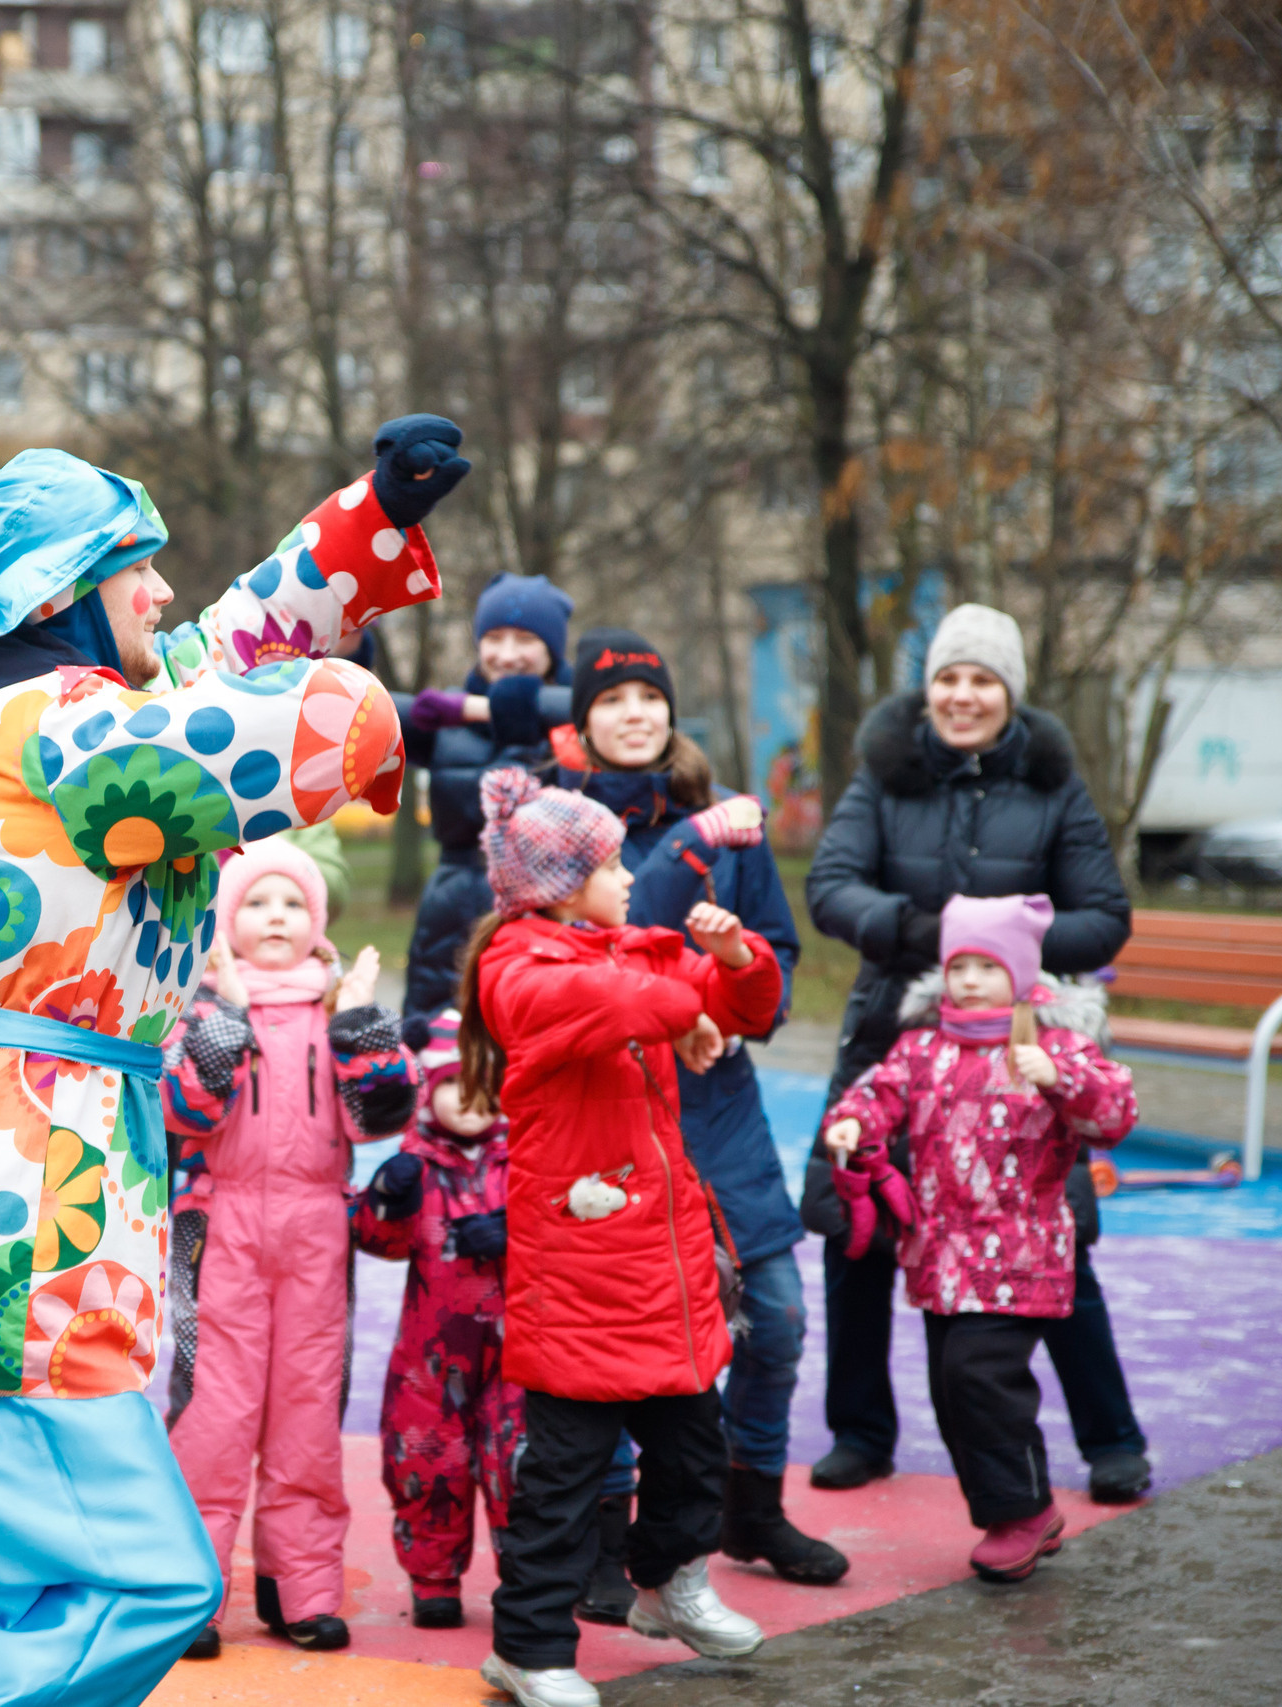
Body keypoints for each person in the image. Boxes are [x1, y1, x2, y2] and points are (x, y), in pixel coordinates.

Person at [0, 419, 468, 1707]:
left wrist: (371, 518)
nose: (169, 589)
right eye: (140, 565)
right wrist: (376, 709)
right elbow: (294, 729)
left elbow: (221, 644)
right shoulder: (66, 732)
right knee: (151, 1585)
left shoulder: (41, 717)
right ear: (62, 592)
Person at [803, 603, 1149, 1503]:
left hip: (1022, 1041)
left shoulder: (1053, 784)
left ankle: (1111, 1435)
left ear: (1009, 692)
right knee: (859, 1227)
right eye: (948, 678)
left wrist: (1008, 943)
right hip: (897, 1026)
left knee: (1054, 1236)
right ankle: (860, 1429)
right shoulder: (884, 775)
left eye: (982, 680)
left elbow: (1105, 915)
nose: (963, 696)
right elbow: (832, 886)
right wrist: (927, 930)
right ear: (929, 691)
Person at [461, 768, 781, 1707]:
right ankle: (528, 1647)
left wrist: (733, 956)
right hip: (580, 1278)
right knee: (563, 1480)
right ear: (563, 884)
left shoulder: (630, 950)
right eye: (613, 862)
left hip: (663, 1272)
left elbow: (747, 1008)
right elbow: (616, 1005)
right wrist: (687, 997)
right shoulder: (517, 967)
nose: (632, 875)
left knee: (691, 1453)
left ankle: (666, 1579)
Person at [547, 629, 846, 1587]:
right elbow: (551, 961)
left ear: (672, 712)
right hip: (612, 1116)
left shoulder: (733, 827)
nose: (636, 714)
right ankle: (607, 1533)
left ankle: (747, 1506)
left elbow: (777, 966)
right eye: (613, 700)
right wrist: (660, 1016)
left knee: (779, 1315)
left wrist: (729, 978)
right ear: (583, 721)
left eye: (650, 697)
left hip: (721, 1114)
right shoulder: (561, 826)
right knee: (620, 1340)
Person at [820, 894, 1137, 1581]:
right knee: (951, 1385)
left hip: (1021, 1254)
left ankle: (1024, 1511)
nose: (967, 979)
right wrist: (852, 1123)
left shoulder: (1049, 1046)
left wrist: (1065, 1079)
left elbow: (1114, 1113)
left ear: (1021, 972)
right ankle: (1007, 1509)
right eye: (958, 964)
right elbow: (878, 1092)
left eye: (986, 966)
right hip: (943, 1255)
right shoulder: (924, 1045)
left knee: (980, 1374)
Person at [161, 839, 412, 1656]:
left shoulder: (335, 1011)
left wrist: (363, 1022)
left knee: (306, 1414)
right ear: (227, 923)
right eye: (259, 903)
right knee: (213, 1417)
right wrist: (228, 1014)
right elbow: (186, 1114)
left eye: (294, 904)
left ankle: (298, 1587)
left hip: (314, 1233)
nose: (277, 917)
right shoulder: (199, 1008)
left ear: (320, 922)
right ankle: (193, 1591)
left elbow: (378, 1118)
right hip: (219, 1228)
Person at [349, 1008, 516, 1633]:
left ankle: (524, 1580)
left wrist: (514, 1234)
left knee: (519, 1461)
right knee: (428, 1457)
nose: (469, 1096)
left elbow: (569, 1229)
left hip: (517, 1352)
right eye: (452, 1082)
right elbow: (377, 1241)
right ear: (426, 1090)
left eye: (481, 1079)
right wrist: (389, 1201)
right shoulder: (416, 1164)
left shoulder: (523, 1158)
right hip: (431, 1353)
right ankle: (434, 1579)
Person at [396, 574, 574, 1022]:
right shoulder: (444, 716)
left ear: (552, 648)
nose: (507, 654)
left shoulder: (580, 719)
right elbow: (359, 706)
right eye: (494, 637)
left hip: (554, 917)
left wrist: (495, 712)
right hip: (452, 920)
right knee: (443, 1057)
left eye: (525, 639)